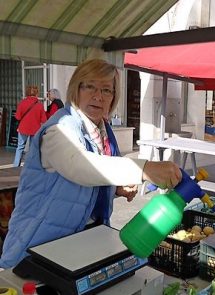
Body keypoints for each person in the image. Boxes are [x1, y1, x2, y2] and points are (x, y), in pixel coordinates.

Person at [0, 59, 182, 269]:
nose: (98, 96)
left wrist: (114, 189)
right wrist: (143, 169)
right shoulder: (59, 128)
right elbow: (81, 166)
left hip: (81, 245)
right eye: (90, 87)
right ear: (76, 88)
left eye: (107, 90)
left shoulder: (102, 130)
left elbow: (84, 182)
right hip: (36, 248)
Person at [13, 85, 47, 167]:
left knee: (20, 147)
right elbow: (44, 120)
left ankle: (16, 165)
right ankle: (32, 165)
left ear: (27, 93)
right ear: (36, 94)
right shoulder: (39, 105)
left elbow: (17, 117)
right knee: (33, 148)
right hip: (35, 129)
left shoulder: (22, 103)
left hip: (23, 128)